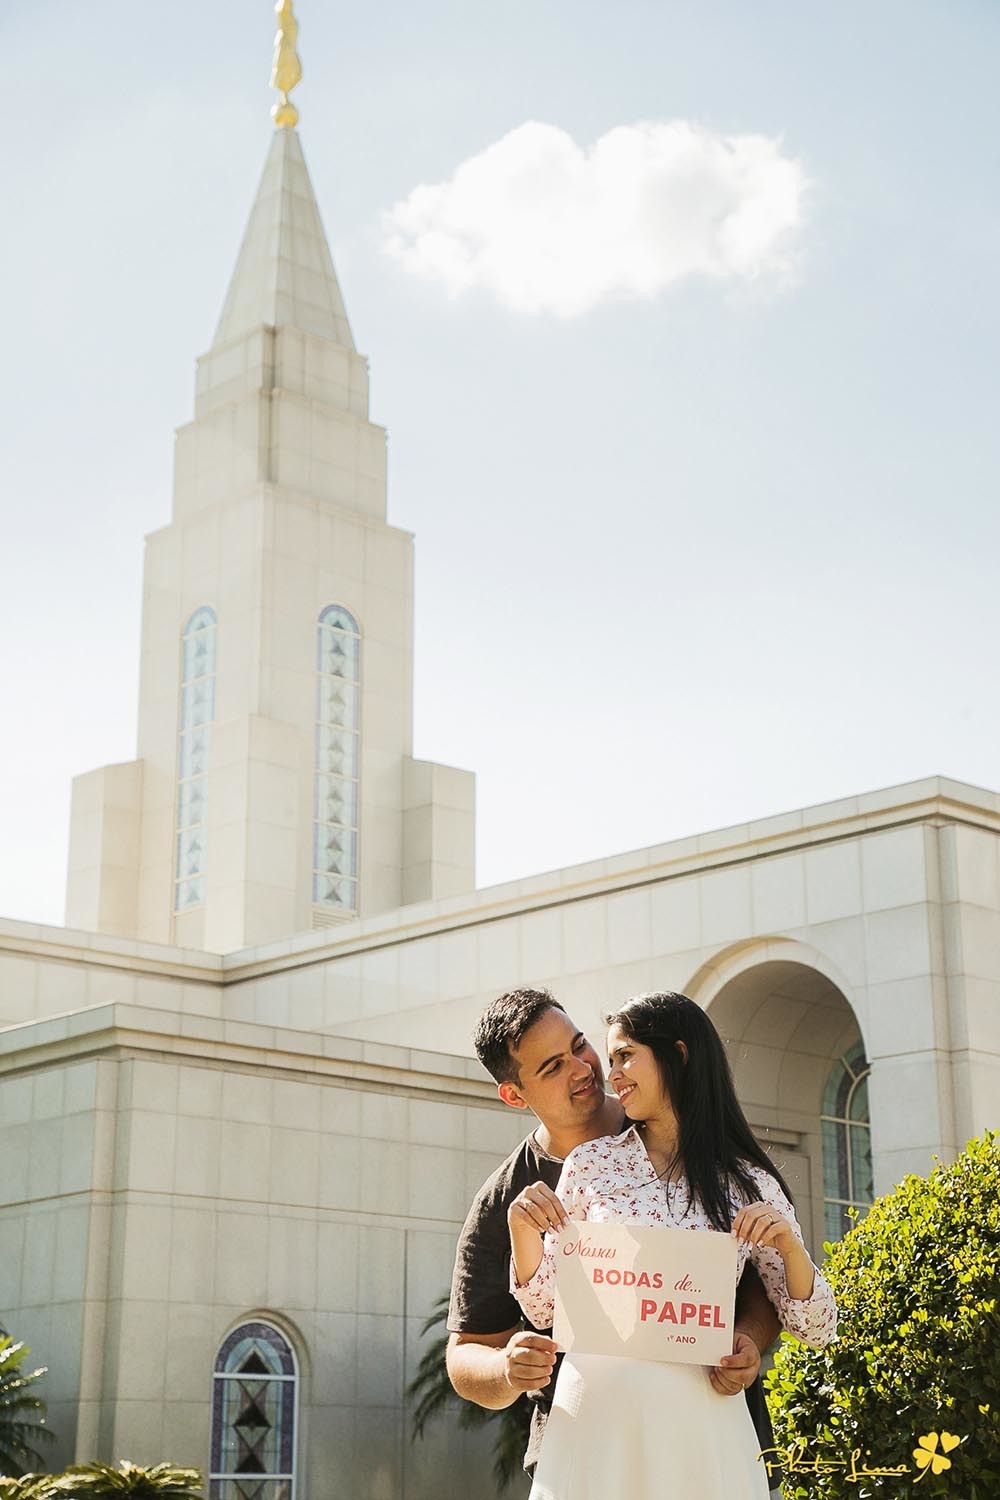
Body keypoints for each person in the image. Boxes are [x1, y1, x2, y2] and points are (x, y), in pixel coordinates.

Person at [507, 991, 837, 1500]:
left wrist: (790, 1248)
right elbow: (547, 1306)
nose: (611, 1075)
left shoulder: (748, 1182)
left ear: (678, 1054)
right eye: (610, 1058)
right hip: (593, 1422)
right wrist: (523, 1234)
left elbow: (817, 1328)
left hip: (700, 1424)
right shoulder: (589, 1164)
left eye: (625, 1056)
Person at [446, 988, 782, 1478]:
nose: (583, 1069)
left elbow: (770, 1276)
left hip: (712, 1444)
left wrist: (748, 1338)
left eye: (579, 1046)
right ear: (514, 1095)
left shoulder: (679, 1122)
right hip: (586, 1453)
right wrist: (505, 1371)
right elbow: (465, 1353)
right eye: (552, 1067)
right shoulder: (506, 1199)